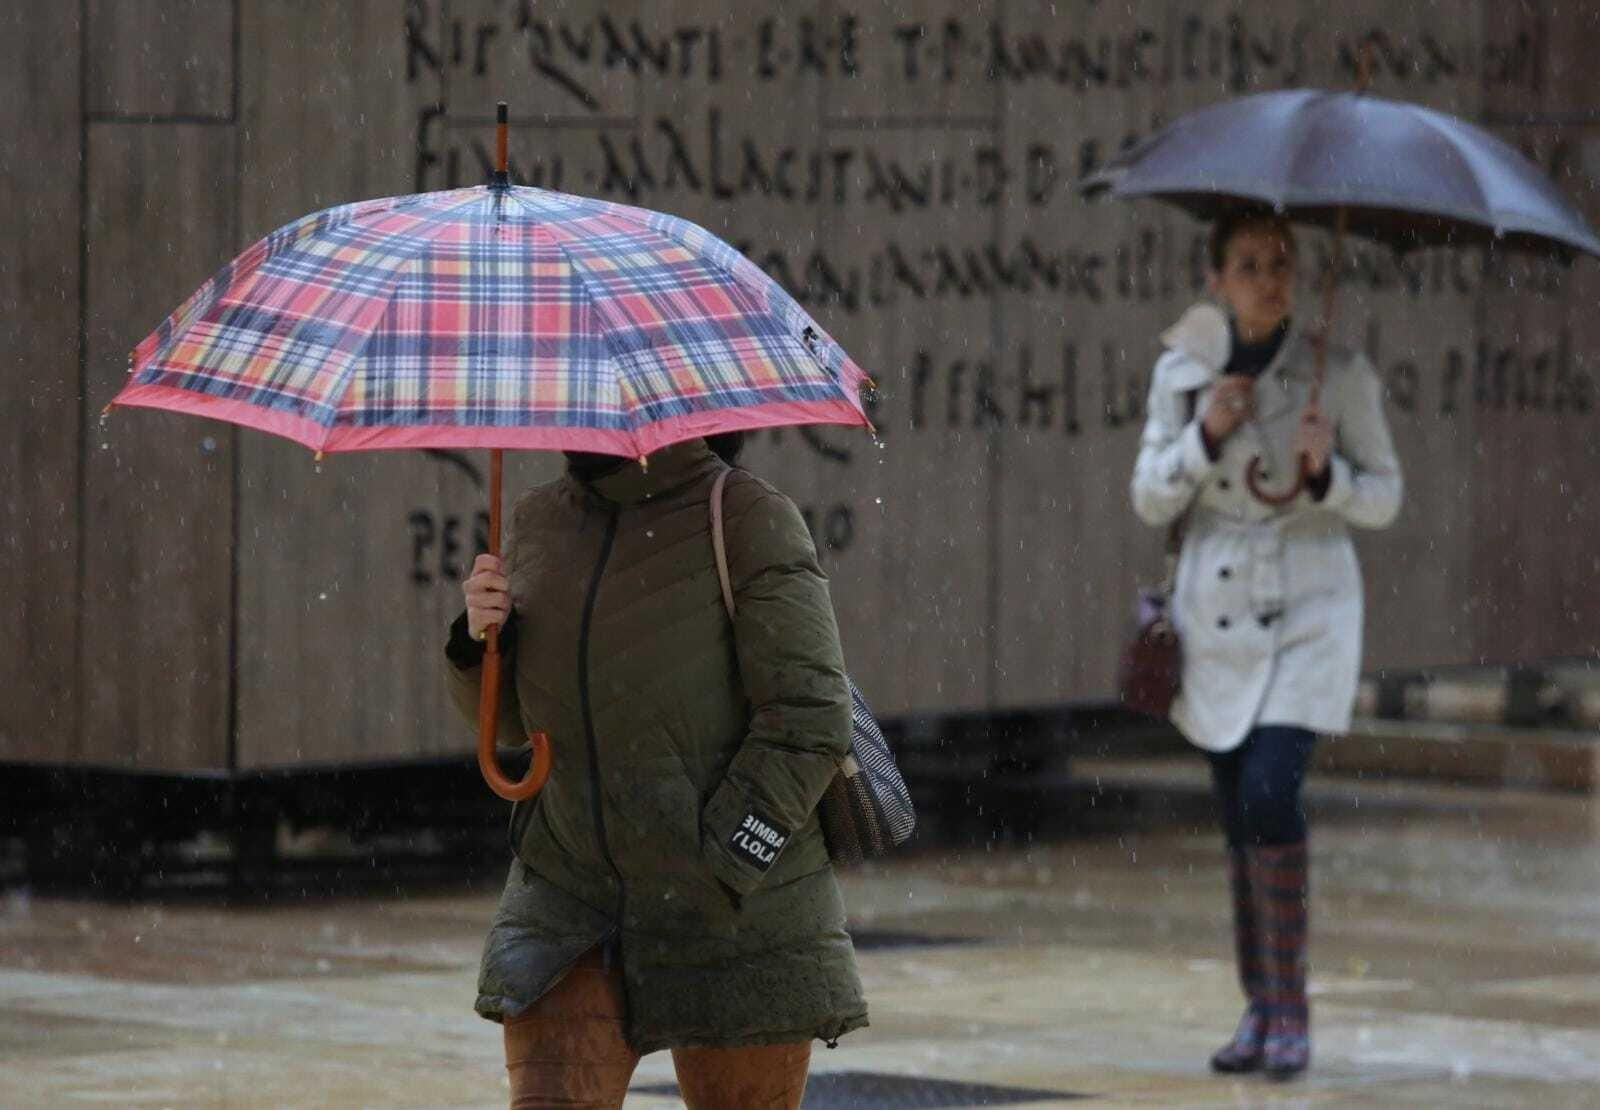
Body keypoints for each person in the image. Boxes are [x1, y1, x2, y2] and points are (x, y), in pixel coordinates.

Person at [445, 433, 865, 1108]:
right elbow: (514, 723)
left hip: (736, 912)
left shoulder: (746, 516)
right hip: (571, 894)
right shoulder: (536, 521)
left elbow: (810, 716)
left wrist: (725, 855)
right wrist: (478, 642)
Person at [1129, 208, 1402, 1080]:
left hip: (1312, 610)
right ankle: (1259, 1005)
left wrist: (1328, 473)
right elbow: (1148, 498)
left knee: (1272, 792)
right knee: (1237, 812)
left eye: (1281, 263)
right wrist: (1206, 432)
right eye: (1248, 263)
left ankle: (1292, 1010)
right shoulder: (1182, 377)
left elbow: (1386, 497)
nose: (1269, 278)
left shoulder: (1340, 375)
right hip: (1214, 617)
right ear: (1215, 280)